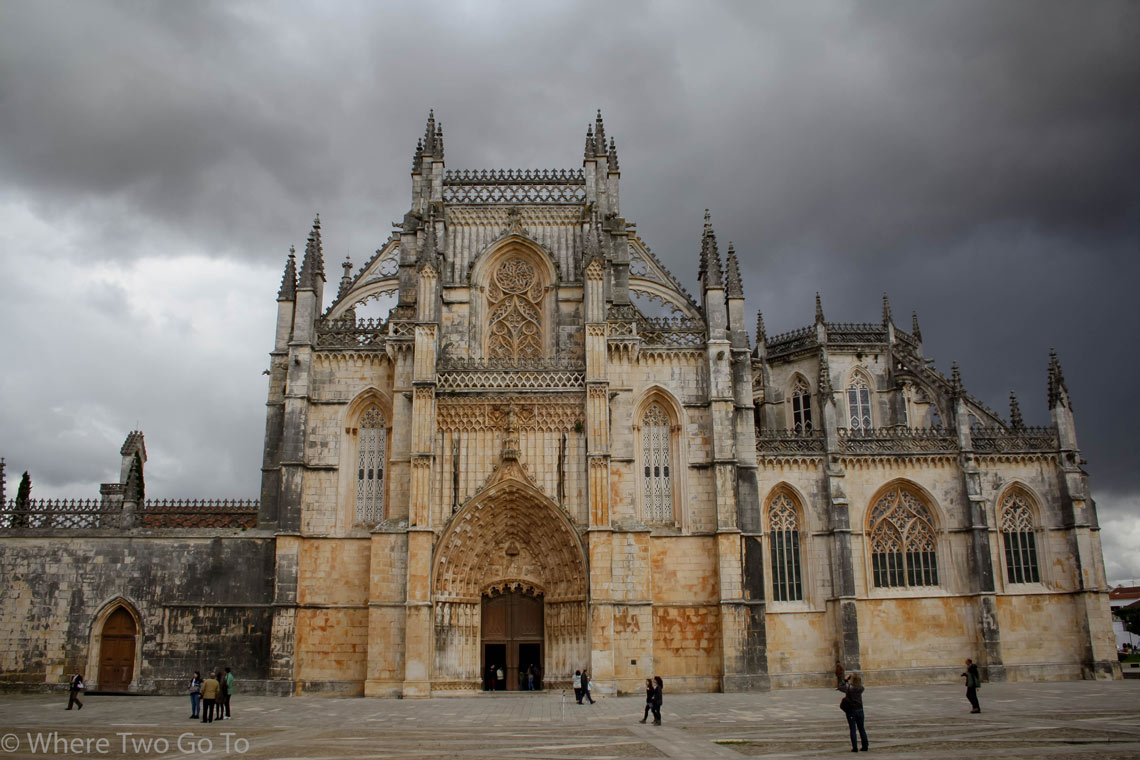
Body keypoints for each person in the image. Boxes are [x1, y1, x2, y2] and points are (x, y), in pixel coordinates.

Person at [837, 672, 868, 752]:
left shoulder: (849, 688)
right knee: (861, 728)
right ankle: (865, 746)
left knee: (853, 729)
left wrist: (845, 679)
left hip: (851, 711)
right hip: (860, 710)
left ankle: (855, 747)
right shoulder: (861, 688)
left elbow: (840, 687)